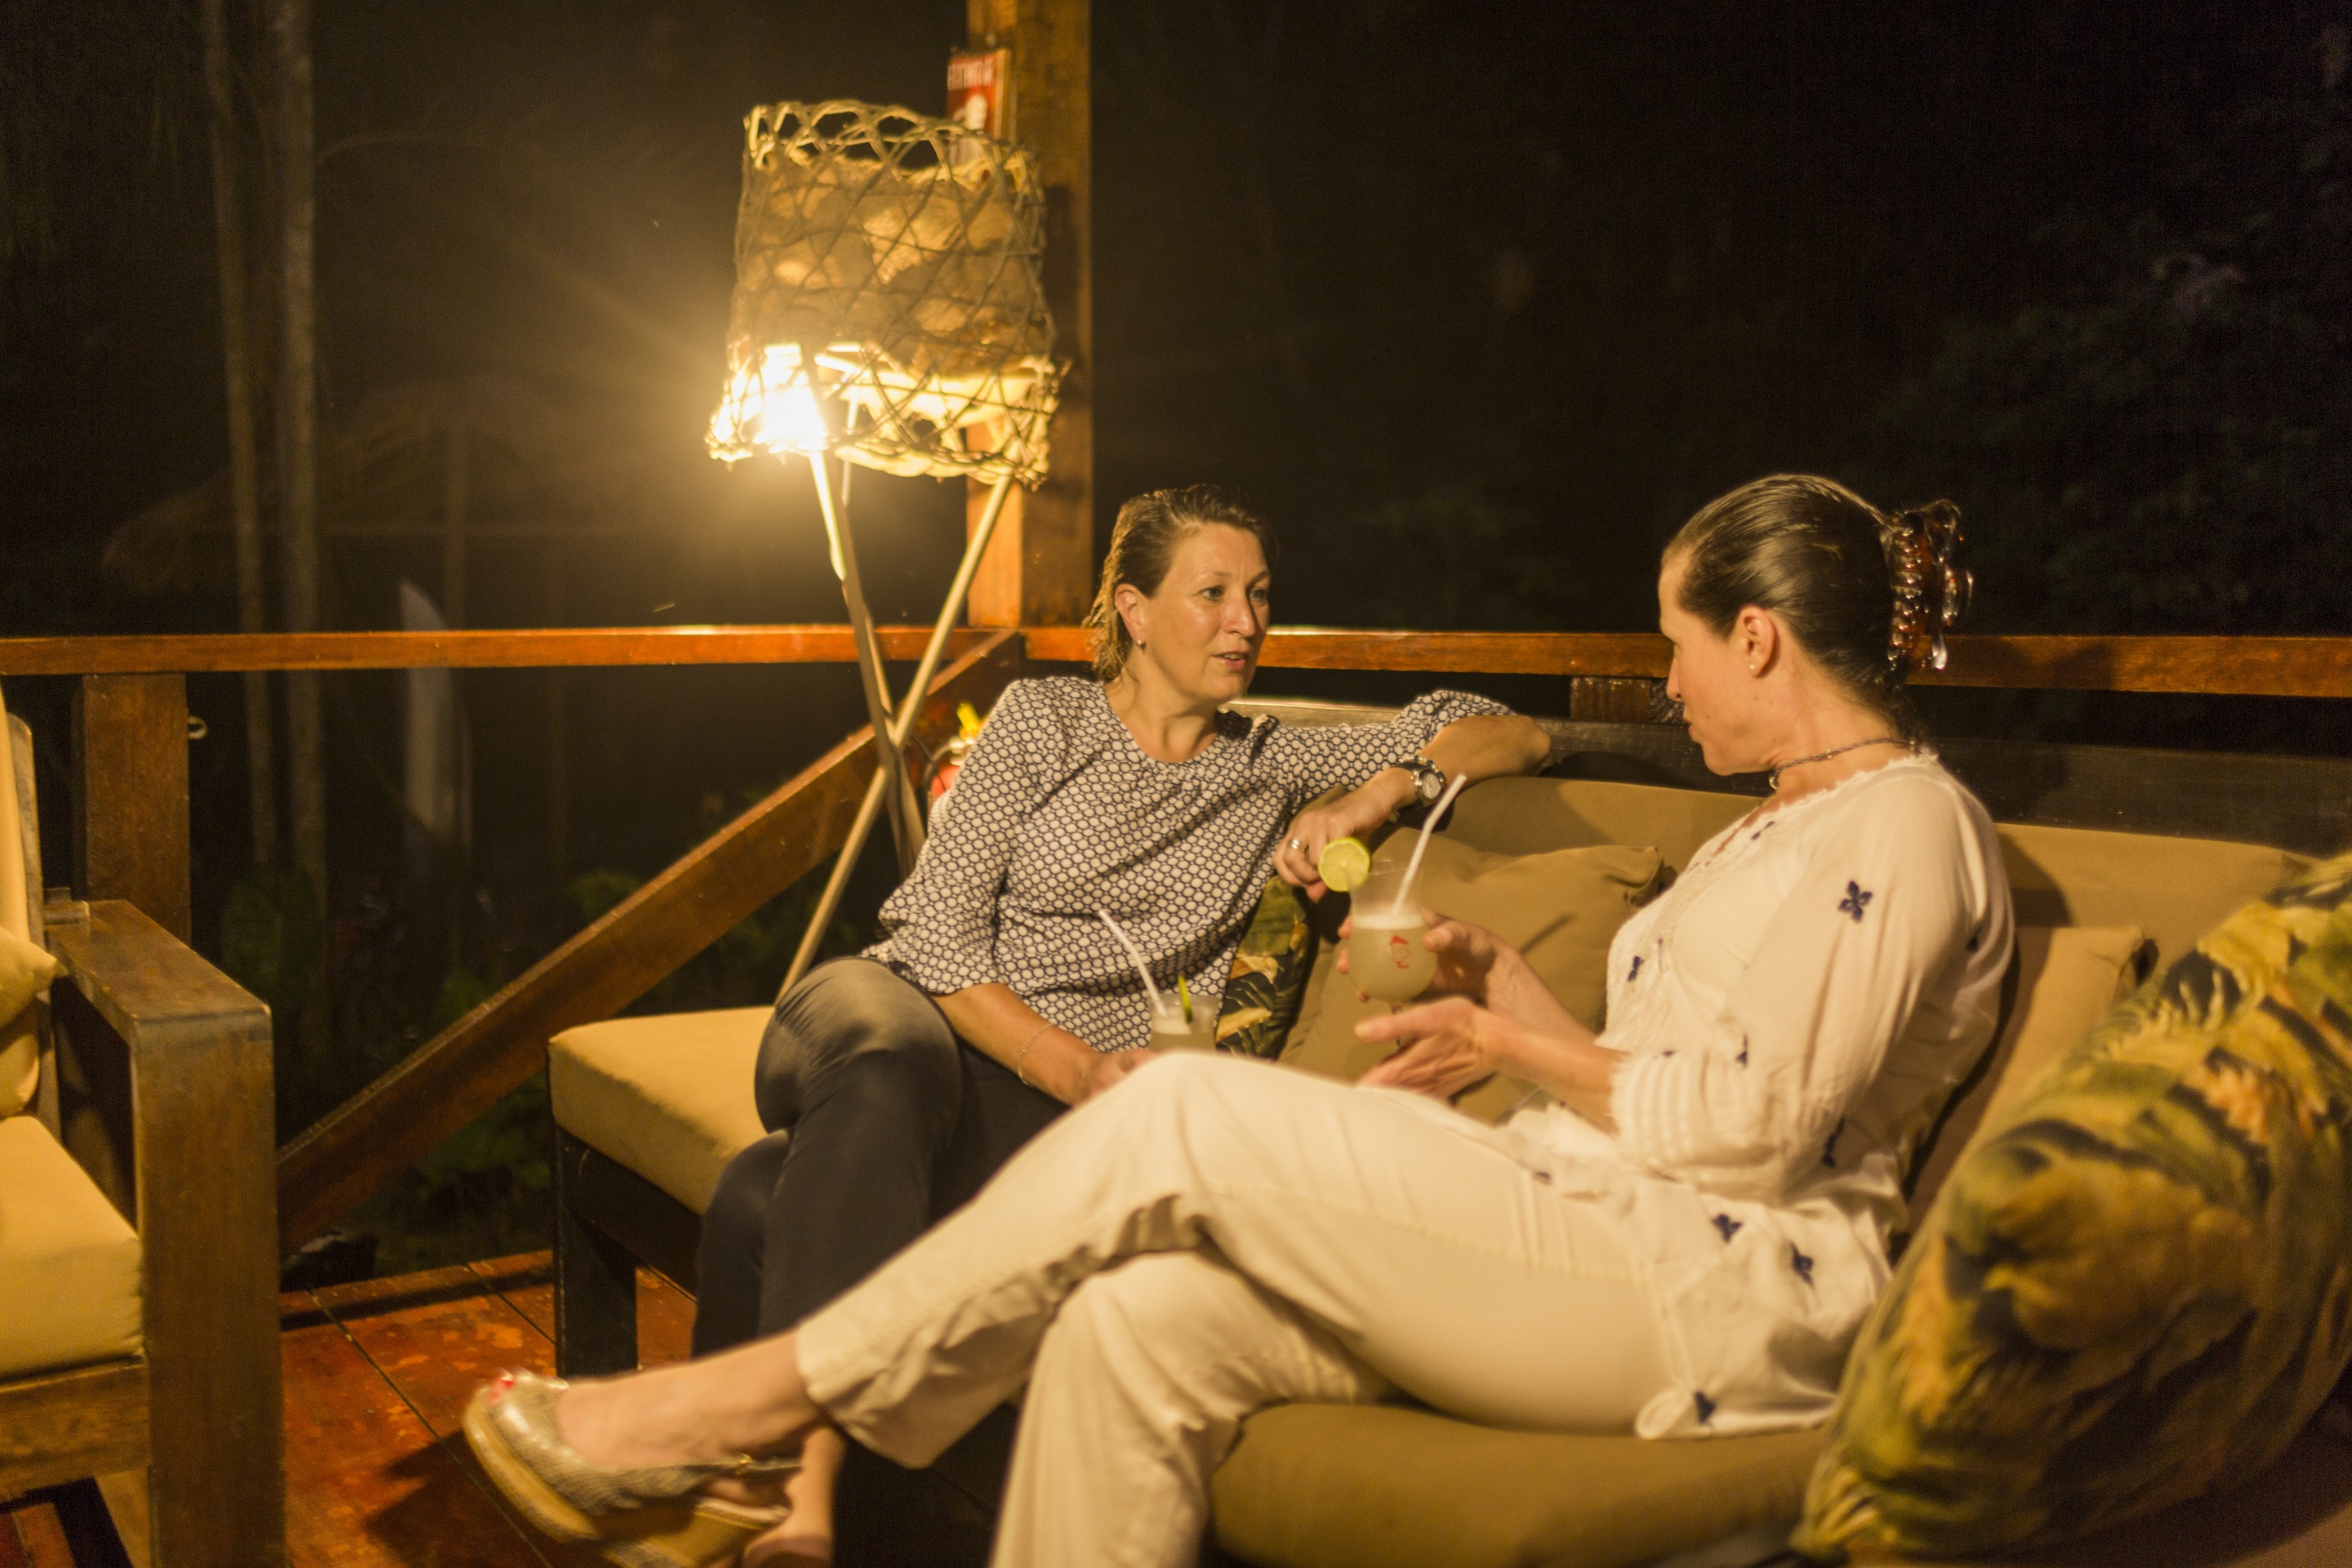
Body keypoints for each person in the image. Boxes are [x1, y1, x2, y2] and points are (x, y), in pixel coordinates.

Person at [466, 474, 2011, 1568]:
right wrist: (1517, 1007)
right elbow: (1680, 1065)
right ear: (1130, 611)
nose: (1667, 688)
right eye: (1211, 590)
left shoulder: (1910, 825)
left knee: (1175, 1108)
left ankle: (726, 1410)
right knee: (1137, 1328)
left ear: (1757, 638)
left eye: (1677, 647)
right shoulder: (1765, 835)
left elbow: (1758, 1124)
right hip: (1570, 1209)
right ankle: (807, 1466)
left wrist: (1518, 1030)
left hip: (1727, 1287)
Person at [686, 483, 1550, 1561]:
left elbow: (1514, 733)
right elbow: (938, 933)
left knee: (760, 1193)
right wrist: (1075, 1069)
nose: (1248, 622)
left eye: (1261, 595)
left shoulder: (1270, 760)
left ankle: (757, 1511)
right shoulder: (1043, 719)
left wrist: (1377, 795)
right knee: (885, 1069)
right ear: (1134, 612)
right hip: (903, 1009)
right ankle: (803, 1494)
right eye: (1214, 594)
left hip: (1037, 1107)